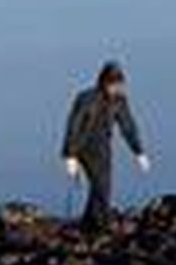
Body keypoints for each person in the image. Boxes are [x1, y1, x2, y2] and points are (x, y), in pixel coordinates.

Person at [61, 61, 150, 230]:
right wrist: (70, 156)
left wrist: (139, 152)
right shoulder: (86, 99)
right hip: (84, 147)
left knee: (101, 184)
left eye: (119, 84)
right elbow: (73, 126)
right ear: (104, 83)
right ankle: (102, 224)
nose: (116, 89)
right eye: (113, 84)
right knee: (102, 185)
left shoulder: (119, 101)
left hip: (103, 147)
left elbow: (127, 125)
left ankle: (89, 222)